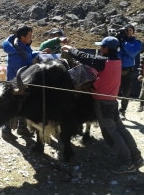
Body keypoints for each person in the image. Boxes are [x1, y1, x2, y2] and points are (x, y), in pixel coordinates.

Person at [61, 36, 143, 174]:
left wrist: (70, 48)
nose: (100, 49)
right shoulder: (117, 60)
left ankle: (127, 163)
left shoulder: (104, 62)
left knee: (111, 133)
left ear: (106, 49)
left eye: (101, 47)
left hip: (103, 103)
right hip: (111, 101)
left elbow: (84, 57)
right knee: (120, 129)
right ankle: (137, 157)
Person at [1, 25, 38, 141]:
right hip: (15, 83)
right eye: (29, 35)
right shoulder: (16, 52)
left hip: (24, 81)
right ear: (22, 37)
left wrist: (39, 53)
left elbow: (28, 56)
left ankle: (22, 128)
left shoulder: (23, 46)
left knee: (24, 105)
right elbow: (19, 69)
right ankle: (5, 131)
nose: (31, 37)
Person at [117, 24, 142, 119]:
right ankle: (112, 110)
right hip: (116, 68)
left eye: (130, 30)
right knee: (113, 90)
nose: (128, 32)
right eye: (126, 30)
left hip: (128, 70)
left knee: (126, 91)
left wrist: (123, 42)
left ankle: (122, 110)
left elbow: (132, 53)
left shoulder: (137, 42)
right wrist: (116, 38)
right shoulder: (118, 40)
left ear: (133, 32)